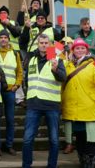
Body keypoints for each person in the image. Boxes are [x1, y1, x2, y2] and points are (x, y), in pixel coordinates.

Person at [61, 38, 95, 167]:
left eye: (82, 48)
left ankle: (91, 163)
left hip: (89, 107)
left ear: (86, 50)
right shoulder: (67, 64)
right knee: (80, 139)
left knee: (91, 141)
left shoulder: (94, 63)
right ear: (73, 50)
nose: (80, 50)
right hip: (73, 109)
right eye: (77, 48)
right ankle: (83, 162)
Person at [22, 34, 66, 168]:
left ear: (50, 44)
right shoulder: (32, 59)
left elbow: (63, 77)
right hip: (34, 104)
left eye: (46, 43)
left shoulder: (57, 59)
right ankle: (26, 165)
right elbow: (27, 81)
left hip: (51, 105)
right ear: (38, 44)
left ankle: (52, 165)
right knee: (27, 139)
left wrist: (55, 70)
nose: (43, 45)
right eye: (41, 42)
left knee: (53, 140)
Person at [0, 29, 23, 155]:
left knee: (10, 119)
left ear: (8, 39)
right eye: (1, 37)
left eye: (5, 37)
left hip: (10, 90)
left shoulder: (15, 53)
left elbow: (20, 72)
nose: (3, 39)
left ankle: (9, 144)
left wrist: (17, 85)